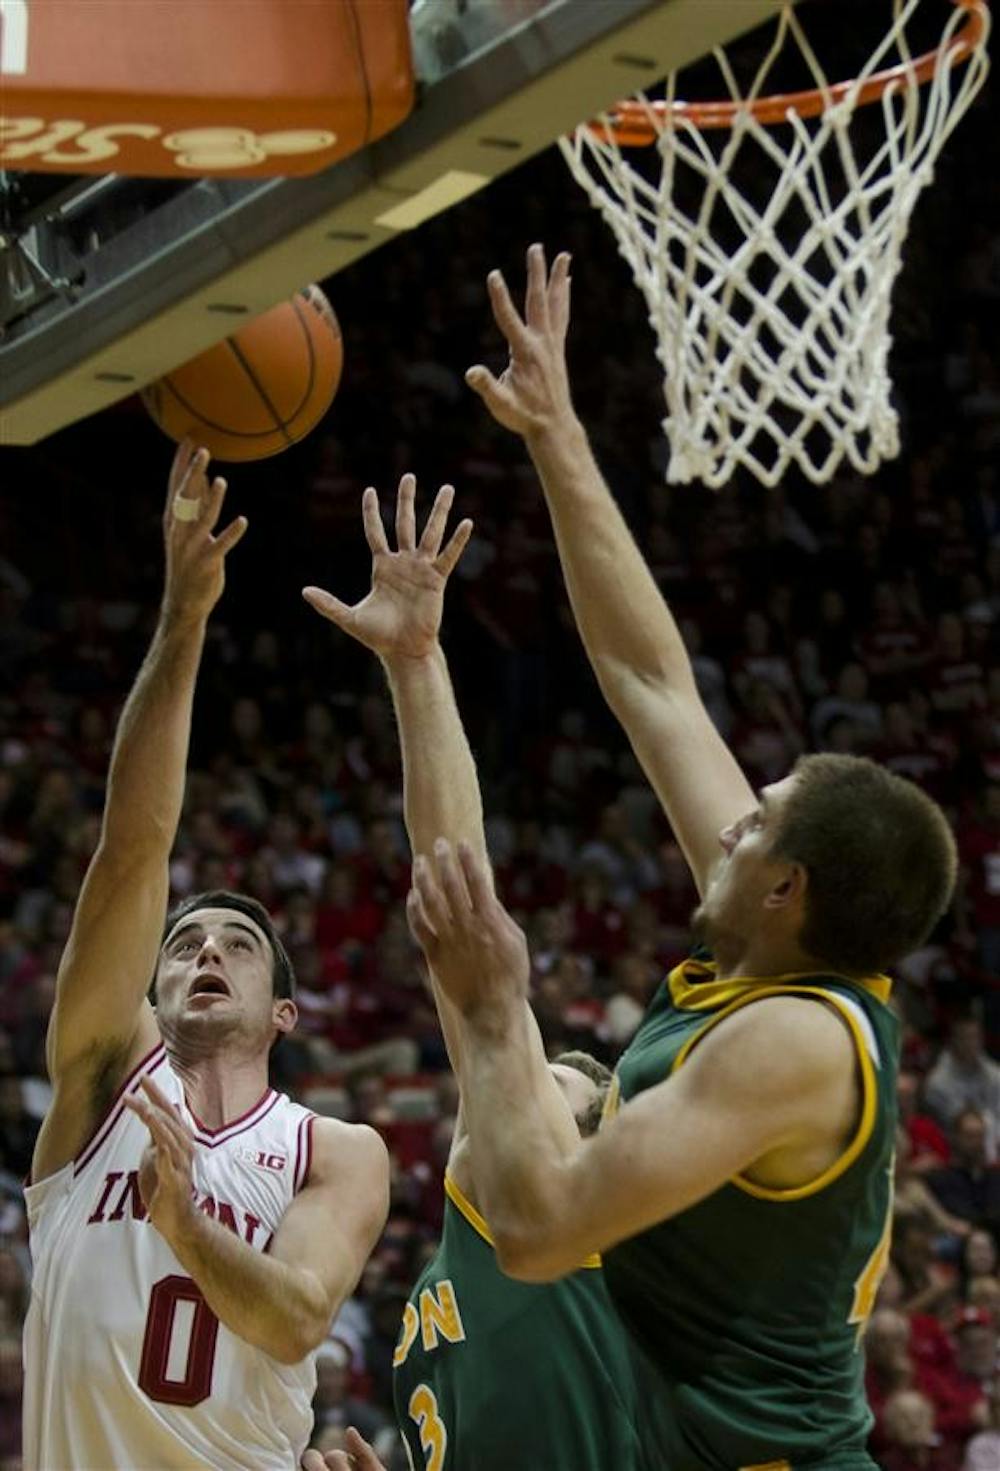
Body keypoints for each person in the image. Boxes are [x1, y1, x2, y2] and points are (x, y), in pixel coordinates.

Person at [402, 245, 959, 1471]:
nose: (728, 821)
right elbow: (652, 682)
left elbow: (541, 1229)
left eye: (757, 820)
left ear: (786, 886)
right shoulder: (770, 956)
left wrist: (493, 1009)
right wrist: (555, 433)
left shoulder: (797, 1040)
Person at [22, 444, 389, 1470]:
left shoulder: (334, 1148)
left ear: (284, 1012)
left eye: (239, 944)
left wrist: (185, 1225)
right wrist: (183, 617)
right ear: (154, 989)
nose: (207, 951)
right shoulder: (107, 1073)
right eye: (182, 944)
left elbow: (298, 1316)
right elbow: (133, 846)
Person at [304, 475, 648, 1469]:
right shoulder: (452, 1272)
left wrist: (418, 666)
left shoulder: (590, 1243)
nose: (501, 1088)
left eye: (545, 1088)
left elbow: (454, 878)